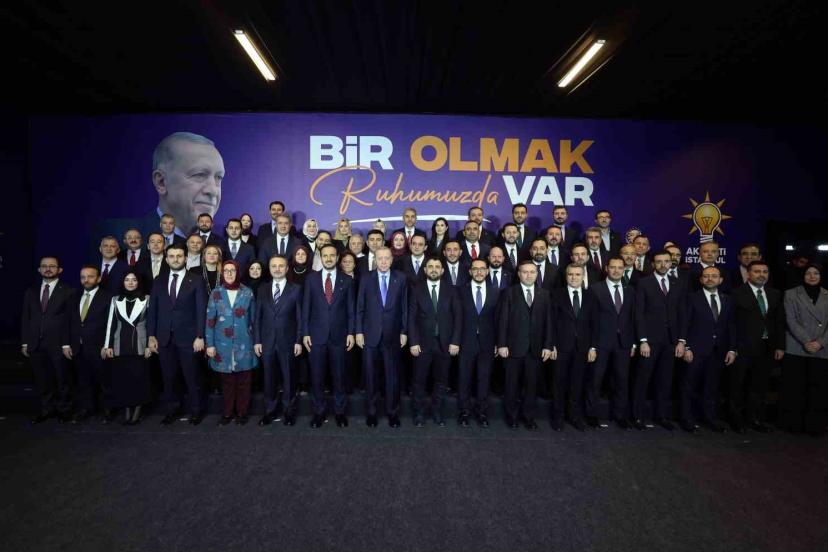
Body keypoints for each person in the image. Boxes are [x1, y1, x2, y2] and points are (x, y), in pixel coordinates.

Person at [147, 242, 207, 426]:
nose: (175, 259)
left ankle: (196, 411)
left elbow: (201, 310)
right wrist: (151, 335)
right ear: (166, 259)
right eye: (172, 256)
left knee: (192, 377)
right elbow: (153, 310)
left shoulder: (196, 280)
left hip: (189, 338)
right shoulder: (158, 280)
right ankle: (172, 410)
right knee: (169, 377)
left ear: (186, 258)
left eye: (179, 256)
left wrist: (200, 336)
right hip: (164, 337)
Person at [302, 245, 356, 428]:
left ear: (337, 257)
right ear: (321, 257)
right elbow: (306, 308)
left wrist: (351, 333)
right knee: (317, 377)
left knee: (339, 377)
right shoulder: (311, 279)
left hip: (340, 336)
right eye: (325, 255)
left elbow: (351, 310)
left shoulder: (347, 280)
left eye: (332, 255)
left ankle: (340, 413)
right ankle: (319, 412)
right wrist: (305, 333)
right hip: (316, 336)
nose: (329, 258)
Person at [632, 250, 687, 431]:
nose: (663, 265)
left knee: (665, 380)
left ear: (671, 263)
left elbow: (682, 313)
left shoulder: (678, 283)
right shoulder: (644, 283)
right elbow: (639, 313)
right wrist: (643, 340)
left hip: (671, 341)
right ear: (653, 264)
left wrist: (681, 341)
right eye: (659, 262)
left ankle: (662, 415)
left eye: (666, 261)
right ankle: (638, 416)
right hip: (650, 341)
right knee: (643, 379)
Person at [497, 261, 554, 430]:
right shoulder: (509, 293)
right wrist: (502, 344)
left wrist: (548, 345)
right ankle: (512, 416)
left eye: (532, 272)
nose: (528, 275)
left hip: (536, 348)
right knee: (512, 385)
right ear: (519, 274)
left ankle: (529, 417)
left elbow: (549, 322)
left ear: (537, 274)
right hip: (513, 347)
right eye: (525, 272)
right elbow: (503, 320)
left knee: (531, 386)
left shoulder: (544, 294)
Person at [730, 260, 785, 433]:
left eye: (765, 272)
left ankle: (755, 419)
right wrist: (732, 347)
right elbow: (731, 323)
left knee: (759, 386)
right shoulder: (736, 293)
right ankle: (737, 421)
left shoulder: (775, 294)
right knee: (738, 385)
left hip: (766, 347)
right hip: (743, 347)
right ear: (748, 274)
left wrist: (780, 346)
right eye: (757, 271)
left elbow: (779, 322)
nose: (761, 275)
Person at [355, 247, 409, 428]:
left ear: (392, 260)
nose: (384, 261)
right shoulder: (366, 278)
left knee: (392, 377)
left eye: (387, 258)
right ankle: (371, 413)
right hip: (370, 335)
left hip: (392, 336)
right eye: (380, 258)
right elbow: (360, 307)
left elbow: (404, 308)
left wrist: (404, 331)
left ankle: (392, 412)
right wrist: (359, 332)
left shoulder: (401, 278)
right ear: (375, 260)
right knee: (371, 376)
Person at [680, 266, 736, 433]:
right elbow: (684, 323)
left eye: (714, 276)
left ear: (720, 280)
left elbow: (731, 326)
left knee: (711, 387)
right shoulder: (691, 298)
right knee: (689, 386)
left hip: (718, 351)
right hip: (695, 350)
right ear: (701, 279)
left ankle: (710, 418)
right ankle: (687, 419)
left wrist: (732, 349)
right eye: (706, 276)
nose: (710, 279)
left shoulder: (727, 299)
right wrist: (686, 347)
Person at [21, 256, 76, 424]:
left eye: (52, 266)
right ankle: (47, 409)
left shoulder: (68, 291)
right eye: (44, 266)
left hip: (59, 343)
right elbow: (26, 318)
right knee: (42, 380)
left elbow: (71, 320)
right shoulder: (31, 291)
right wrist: (25, 342)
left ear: (60, 270)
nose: (48, 269)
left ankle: (64, 411)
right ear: (39, 270)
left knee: (62, 379)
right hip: (36, 343)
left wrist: (66, 343)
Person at [408, 257, 462, 427]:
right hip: (422, 344)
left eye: (437, 267)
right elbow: (411, 318)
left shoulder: (452, 290)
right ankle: (419, 413)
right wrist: (413, 342)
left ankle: (437, 412)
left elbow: (458, 317)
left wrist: (455, 341)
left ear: (442, 270)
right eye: (430, 266)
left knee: (441, 381)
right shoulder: (416, 289)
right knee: (419, 381)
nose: (433, 269)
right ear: (425, 270)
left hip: (445, 344)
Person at [585, 257, 636, 429]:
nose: (616, 271)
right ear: (606, 268)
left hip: (624, 343)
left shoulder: (630, 290)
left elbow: (633, 318)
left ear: (624, 270)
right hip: (601, 342)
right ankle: (591, 414)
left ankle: (619, 415)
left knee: (621, 380)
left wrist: (633, 343)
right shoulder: (595, 289)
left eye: (619, 268)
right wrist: (592, 345)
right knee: (595, 380)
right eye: (612, 267)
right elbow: (590, 319)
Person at [205, 260, 257, 426]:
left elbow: (254, 320)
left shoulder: (247, 292)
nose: (229, 273)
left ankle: (242, 413)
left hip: (245, 344)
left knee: (244, 382)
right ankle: (227, 413)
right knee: (227, 383)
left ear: (237, 272)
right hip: (222, 345)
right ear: (222, 273)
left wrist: (257, 342)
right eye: (226, 270)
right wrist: (210, 344)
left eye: (232, 270)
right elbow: (210, 321)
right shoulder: (216, 293)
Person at [254, 255, 303, 426]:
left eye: (281, 266)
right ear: (269, 268)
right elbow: (258, 317)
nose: (277, 269)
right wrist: (257, 340)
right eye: (273, 266)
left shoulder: (296, 289)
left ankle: (289, 412)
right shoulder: (262, 289)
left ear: (287, 268)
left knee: (289, 378)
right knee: (269, 378)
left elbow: (300, 317)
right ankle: (270, 411)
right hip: (266, 341)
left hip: (288, 341)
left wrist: (298, 340)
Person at [781, 264, 828, 435]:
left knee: (819, 389)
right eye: (808, 273)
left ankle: (815, 426)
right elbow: (791, 320)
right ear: (802, 275)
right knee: (796, 388)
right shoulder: (791, 293)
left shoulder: (827, 294)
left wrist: (820, 342)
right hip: (797, 345)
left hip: (822, 347)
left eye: (816, 273)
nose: (812, 276)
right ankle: (793, 424)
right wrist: (807, 341)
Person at [149, 132, 224, 237]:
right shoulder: (126, 237)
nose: (213, 191)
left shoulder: (224, 245)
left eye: (218, 177)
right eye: (199, 174)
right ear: (161, 182)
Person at [102, 271, 152, 425]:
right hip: (120, 344)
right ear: (122, 282)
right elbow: (111, 323)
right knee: (124, 379)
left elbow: (151, 323)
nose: (130, 282)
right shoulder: (115, 299)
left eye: (134, 280)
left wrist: (149, 345)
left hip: (140, 344)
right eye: (127, 279)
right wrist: (107, 346)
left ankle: (137, 410)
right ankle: (127, 410)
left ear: (139, 282)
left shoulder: (147, 299)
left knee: (139, 378)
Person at [550, 265, 597, 431]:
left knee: (577, 384)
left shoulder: (591, 295)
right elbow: (551, 322)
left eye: (577, 274)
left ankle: (574, 416)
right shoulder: (556, 295)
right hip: (561, 347)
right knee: (559, 383)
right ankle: (558, 417)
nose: (574, 277)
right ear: (566, 276)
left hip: (582, 348)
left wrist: (593, 347)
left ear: (583, 276)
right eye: (570, 274)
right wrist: (552, 345)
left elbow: (595, 323)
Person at [457, 258, 500, 427]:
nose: (479, 272)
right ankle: (464, 412)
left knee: (484, 379)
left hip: (488, 342)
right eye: (475, 269)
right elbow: (456, 318)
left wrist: (498, 342)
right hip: (465, 341)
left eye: (482, 269)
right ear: (470, 272)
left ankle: (482, 413)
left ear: (487, 271)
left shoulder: (496, 291)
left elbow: (499, 319)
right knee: (464, 379)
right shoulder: (461, 291)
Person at [69, 265, 114, 423]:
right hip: (78, 347)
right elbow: (69, 322)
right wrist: (67, 344)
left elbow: (111, 324)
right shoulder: (74, 296)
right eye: (83, 277)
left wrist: (107, 345)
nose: (86, 280)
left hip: (99, 347)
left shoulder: (108, 297)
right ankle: (86, 409)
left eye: (90, 276)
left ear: (99, 278)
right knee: (83, 381)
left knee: (104, 381)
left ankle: (107, 411)